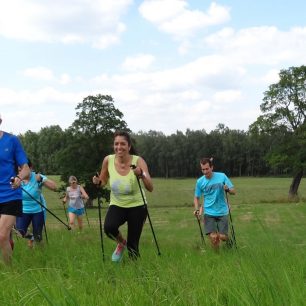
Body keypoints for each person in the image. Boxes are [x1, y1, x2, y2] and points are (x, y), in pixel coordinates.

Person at [93, 130, 153, 262]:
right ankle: (121, 243)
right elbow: (103, 181)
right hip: (117, 204)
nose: (119, 147)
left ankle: (135, 276)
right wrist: (98, 182)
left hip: (137, 206)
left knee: (133, 247)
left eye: (123, 144)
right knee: (109, 228)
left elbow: (150, 187)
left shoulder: (139, 161)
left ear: (129, 146)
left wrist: (141, 174)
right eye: (116, 144)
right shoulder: (108, 160)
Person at [0, 113, 30, 264]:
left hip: (10, 194)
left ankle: (10, 273)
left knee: (2, 236)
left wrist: (19, 178)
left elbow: (26, 169)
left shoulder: (12, 140)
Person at [193, 157, 235, 250]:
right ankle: (217, 258)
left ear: (212, 167)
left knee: (222, 236)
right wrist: (196, 209)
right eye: (203, 169)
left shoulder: (222, 176)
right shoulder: (200, 182)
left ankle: (228, 240)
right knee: (213, 237)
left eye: (207, 169)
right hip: (208, 212)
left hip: (222, 211)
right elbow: (196, 197)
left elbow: (233, 191)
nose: (205, 172)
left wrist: (227, 189)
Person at [16, 159, 57, 248]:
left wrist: (42, 179)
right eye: (19, 171)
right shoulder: (17, 179)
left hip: (38, 210)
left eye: (22, 170)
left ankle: (41, 254)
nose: (20, 173)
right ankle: (31, 237)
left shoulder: (37, 176)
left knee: (38, 236)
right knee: (20, 232)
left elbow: (54, 187)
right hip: (23, 210)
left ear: (30, 168)